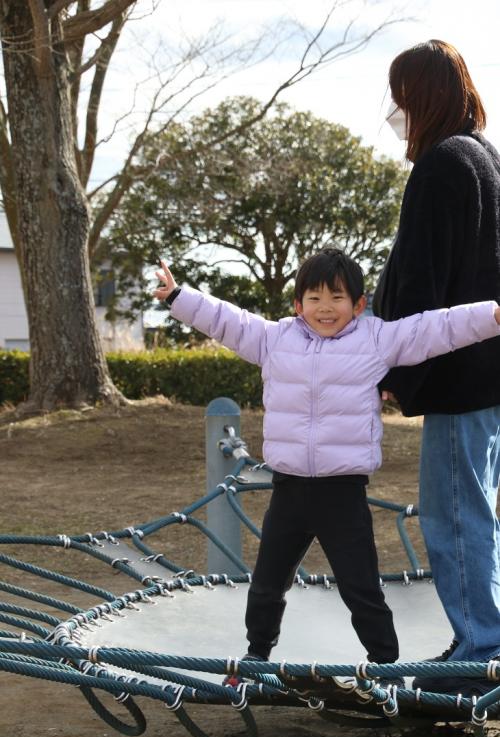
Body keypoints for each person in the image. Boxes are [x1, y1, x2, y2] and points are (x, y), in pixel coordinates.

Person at [154, 248, 500, 691]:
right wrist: (178, 296)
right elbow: (227, 320)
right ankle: (255, 656)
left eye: (337, 298)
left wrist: (491, 314)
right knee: (266, 584)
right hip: (290, 492)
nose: (325, 308)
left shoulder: (376, 339)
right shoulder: (273, 339)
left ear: (358, 305)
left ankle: (385, 667)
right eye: (313, 298)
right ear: (297, 305)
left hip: (344, 495)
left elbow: (437, 327)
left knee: (362, 589)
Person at [373, 39, 500, 696]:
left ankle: (482, 653)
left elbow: (423, 283)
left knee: (454, 513)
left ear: (420, 96)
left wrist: (395, 372)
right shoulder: (486, 158)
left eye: (401, 95)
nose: (395, 110)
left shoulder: (441, 165)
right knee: (477, 509)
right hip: (489, 376)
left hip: (459, 377)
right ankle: (481, 639)